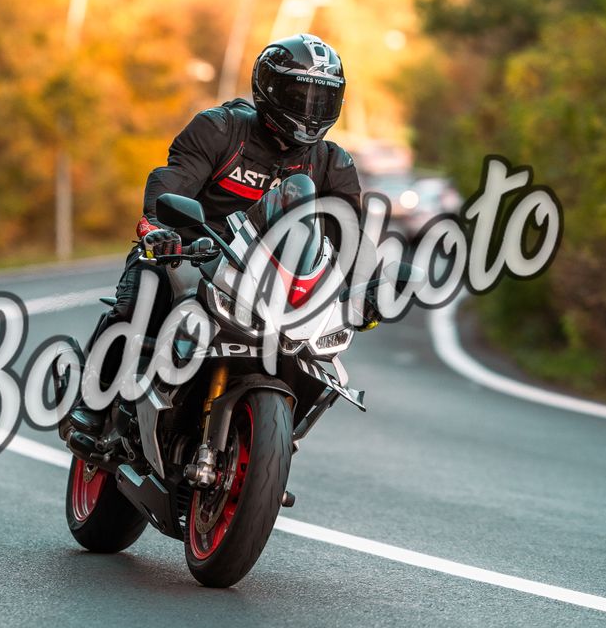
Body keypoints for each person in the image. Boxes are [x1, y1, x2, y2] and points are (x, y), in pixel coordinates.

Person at [68, 33, 378, 437]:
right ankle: (92, 400)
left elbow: (350, 238)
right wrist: (158, 228)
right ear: (269, 89)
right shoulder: (220, 129)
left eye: (322, 99)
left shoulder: (332, 162)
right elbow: (172, 181)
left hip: (272, 278)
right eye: (299, 95)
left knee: (307, 345)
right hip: (190, 252)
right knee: (142, 292)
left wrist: (369, 286)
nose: (310, 110)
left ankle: (269, 434)